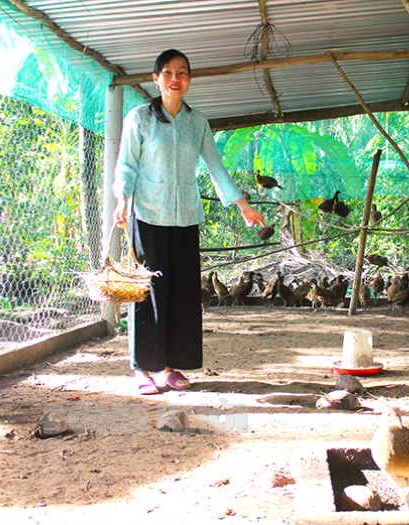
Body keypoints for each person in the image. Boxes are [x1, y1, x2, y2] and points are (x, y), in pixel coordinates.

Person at [112, 49, 265, 395]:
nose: (175, 79)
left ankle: (169, 367)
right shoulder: (139, 118)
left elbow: (215, 166)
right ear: (156, 79)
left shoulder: (198, 122)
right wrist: (121, 199)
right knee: (147, 291)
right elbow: (127, 164)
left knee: (182, 292)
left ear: (189, 80)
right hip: (147, 215)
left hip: (185, 217)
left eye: (182, 73)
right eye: (167, 73)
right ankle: (143, 369)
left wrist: (242, 205)